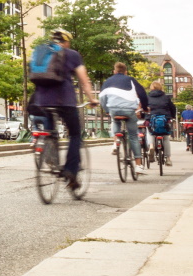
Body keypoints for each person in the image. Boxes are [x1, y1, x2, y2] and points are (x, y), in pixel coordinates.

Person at [27, 29, 97, 191]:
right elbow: (84, 80)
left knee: (51, 131)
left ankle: (52, 159)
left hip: (42, 101)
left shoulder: (40, 51)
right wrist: (91, 99)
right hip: (65, 100)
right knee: (74, 134)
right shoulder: (72, 54)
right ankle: (71, 171)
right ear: (66, 41)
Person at [99, 61, 148, 168]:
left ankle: (116, 141)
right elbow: (142, 94)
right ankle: (138, 166)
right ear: (125, 72)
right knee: (133, 137)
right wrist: (144, 107)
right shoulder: (130, 80)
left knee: (114, 119)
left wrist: (106, 109)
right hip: (129, 110)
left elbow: (102, 97)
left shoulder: (108, 81)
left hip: (114, 109)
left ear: (114, 71)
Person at [145, 80, 176, 168]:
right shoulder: (166, 97)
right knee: (166, 138)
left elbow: (144, 108)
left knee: (150, 132)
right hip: (164, 119)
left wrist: (145, 116)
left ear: (152, 88)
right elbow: (172, 108)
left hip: (151, 119)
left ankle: (151, 146)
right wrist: (172, 116)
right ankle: (168, 158)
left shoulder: (147, 97)